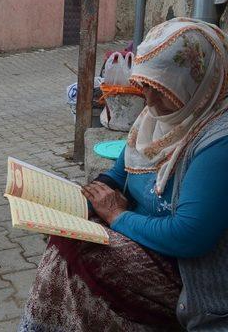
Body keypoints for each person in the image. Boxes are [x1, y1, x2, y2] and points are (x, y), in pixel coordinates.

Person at [19, 18, 228, 331]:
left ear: (199, 84)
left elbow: (189, 236)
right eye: (148, 86)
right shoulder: (158, 116)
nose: (150, 100)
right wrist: (78, 205)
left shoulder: (217, 141)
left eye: (164, 90)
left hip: (185, 272)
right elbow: (118, 174)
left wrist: (117, 217)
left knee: (81, 259)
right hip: (144, 238)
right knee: (65, 242)